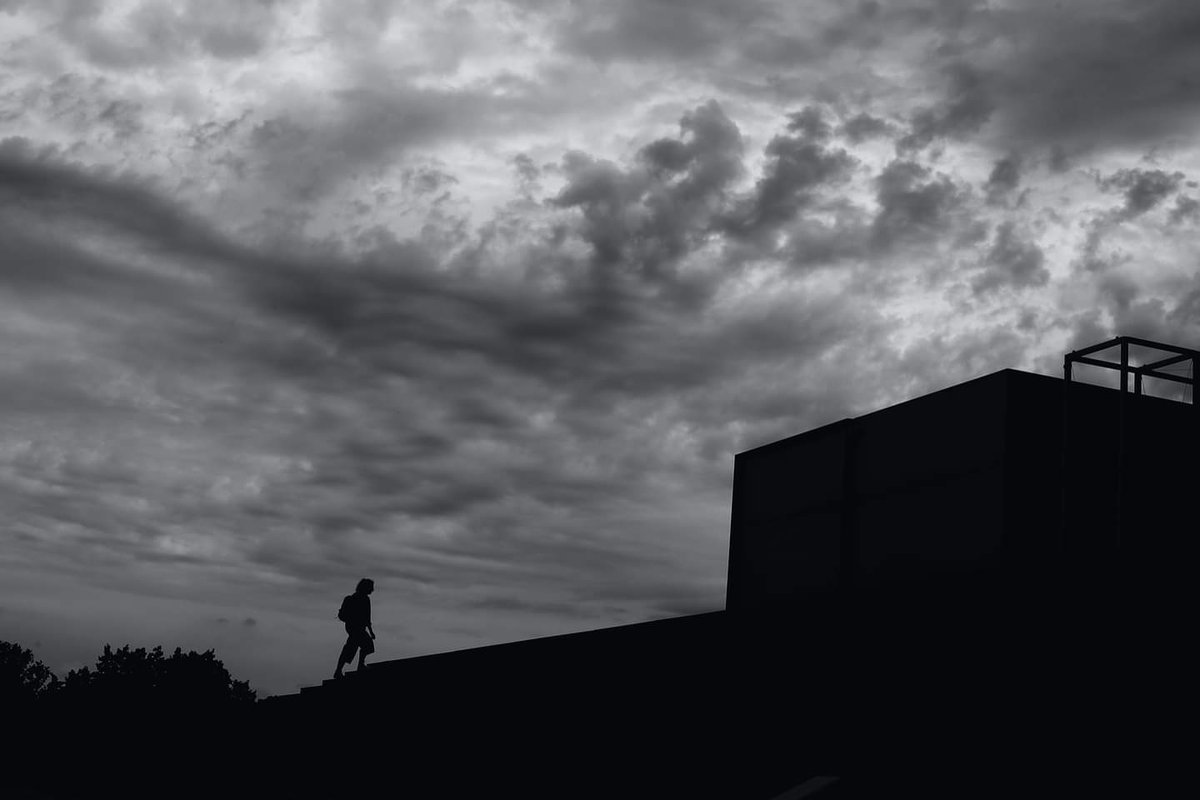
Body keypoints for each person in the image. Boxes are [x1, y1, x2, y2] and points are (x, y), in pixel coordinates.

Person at [334, 578, 375, 678]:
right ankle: (359, 666)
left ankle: (339, 670)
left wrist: (370, 631)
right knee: (365, 646)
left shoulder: (357, 598)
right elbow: (367, 617)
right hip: (356, 628)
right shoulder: (361, 599)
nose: (372, 590)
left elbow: (367, 618)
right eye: (371, 587)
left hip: (354, 628)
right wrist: (370, 631)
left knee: (351, 647)